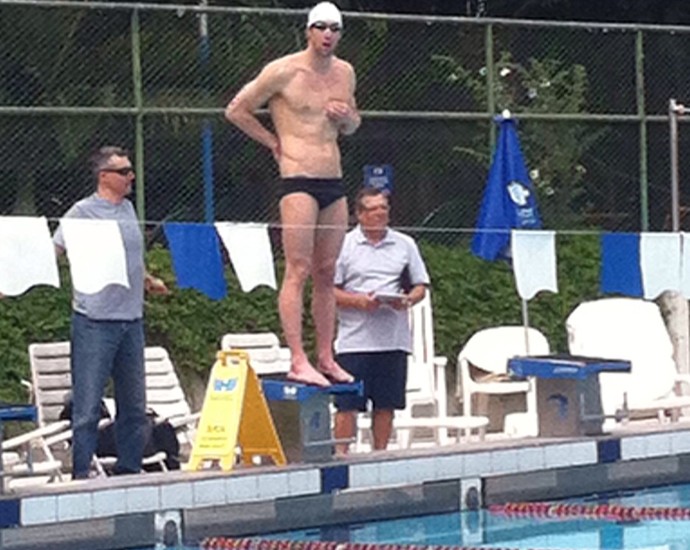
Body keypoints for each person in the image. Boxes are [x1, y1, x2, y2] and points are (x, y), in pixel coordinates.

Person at [224, 1, 360, 387]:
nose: (328, 35)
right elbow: (237, 109)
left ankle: (326, 356)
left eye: (334, 29)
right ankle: (298, 358)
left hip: (332, 178)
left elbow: (354, 123)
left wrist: (347, 119)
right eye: (320, 28)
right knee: (298, 269)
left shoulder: (345, 73)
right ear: (308, 31)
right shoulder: (284, 70)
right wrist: (272, 141)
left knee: (326, 271)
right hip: (297, 178)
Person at [53, 146, 169, 479]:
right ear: (104, 176)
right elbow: (55, 251)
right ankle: (81, 473)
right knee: (88, 406)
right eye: (124, 171)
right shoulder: (81, 213)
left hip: (131, 321)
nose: (131, 176)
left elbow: (129, 258)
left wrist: (147, 280)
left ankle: (128, 471)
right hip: (94, 322)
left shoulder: (129, 209)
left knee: (133, 406)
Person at [332, 188, 430, 453]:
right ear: (359, 214)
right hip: (355, 340)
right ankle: (341, 456)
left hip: (393, 338)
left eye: (383, 208)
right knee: (347, 403)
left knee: (386, 403)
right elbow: (328, 290)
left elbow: (421, 285)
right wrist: (358, 301)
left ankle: (380, 456)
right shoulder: (342, 244)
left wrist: (407, 299)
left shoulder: (405, 244)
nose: (379, 214)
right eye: (373, 209)